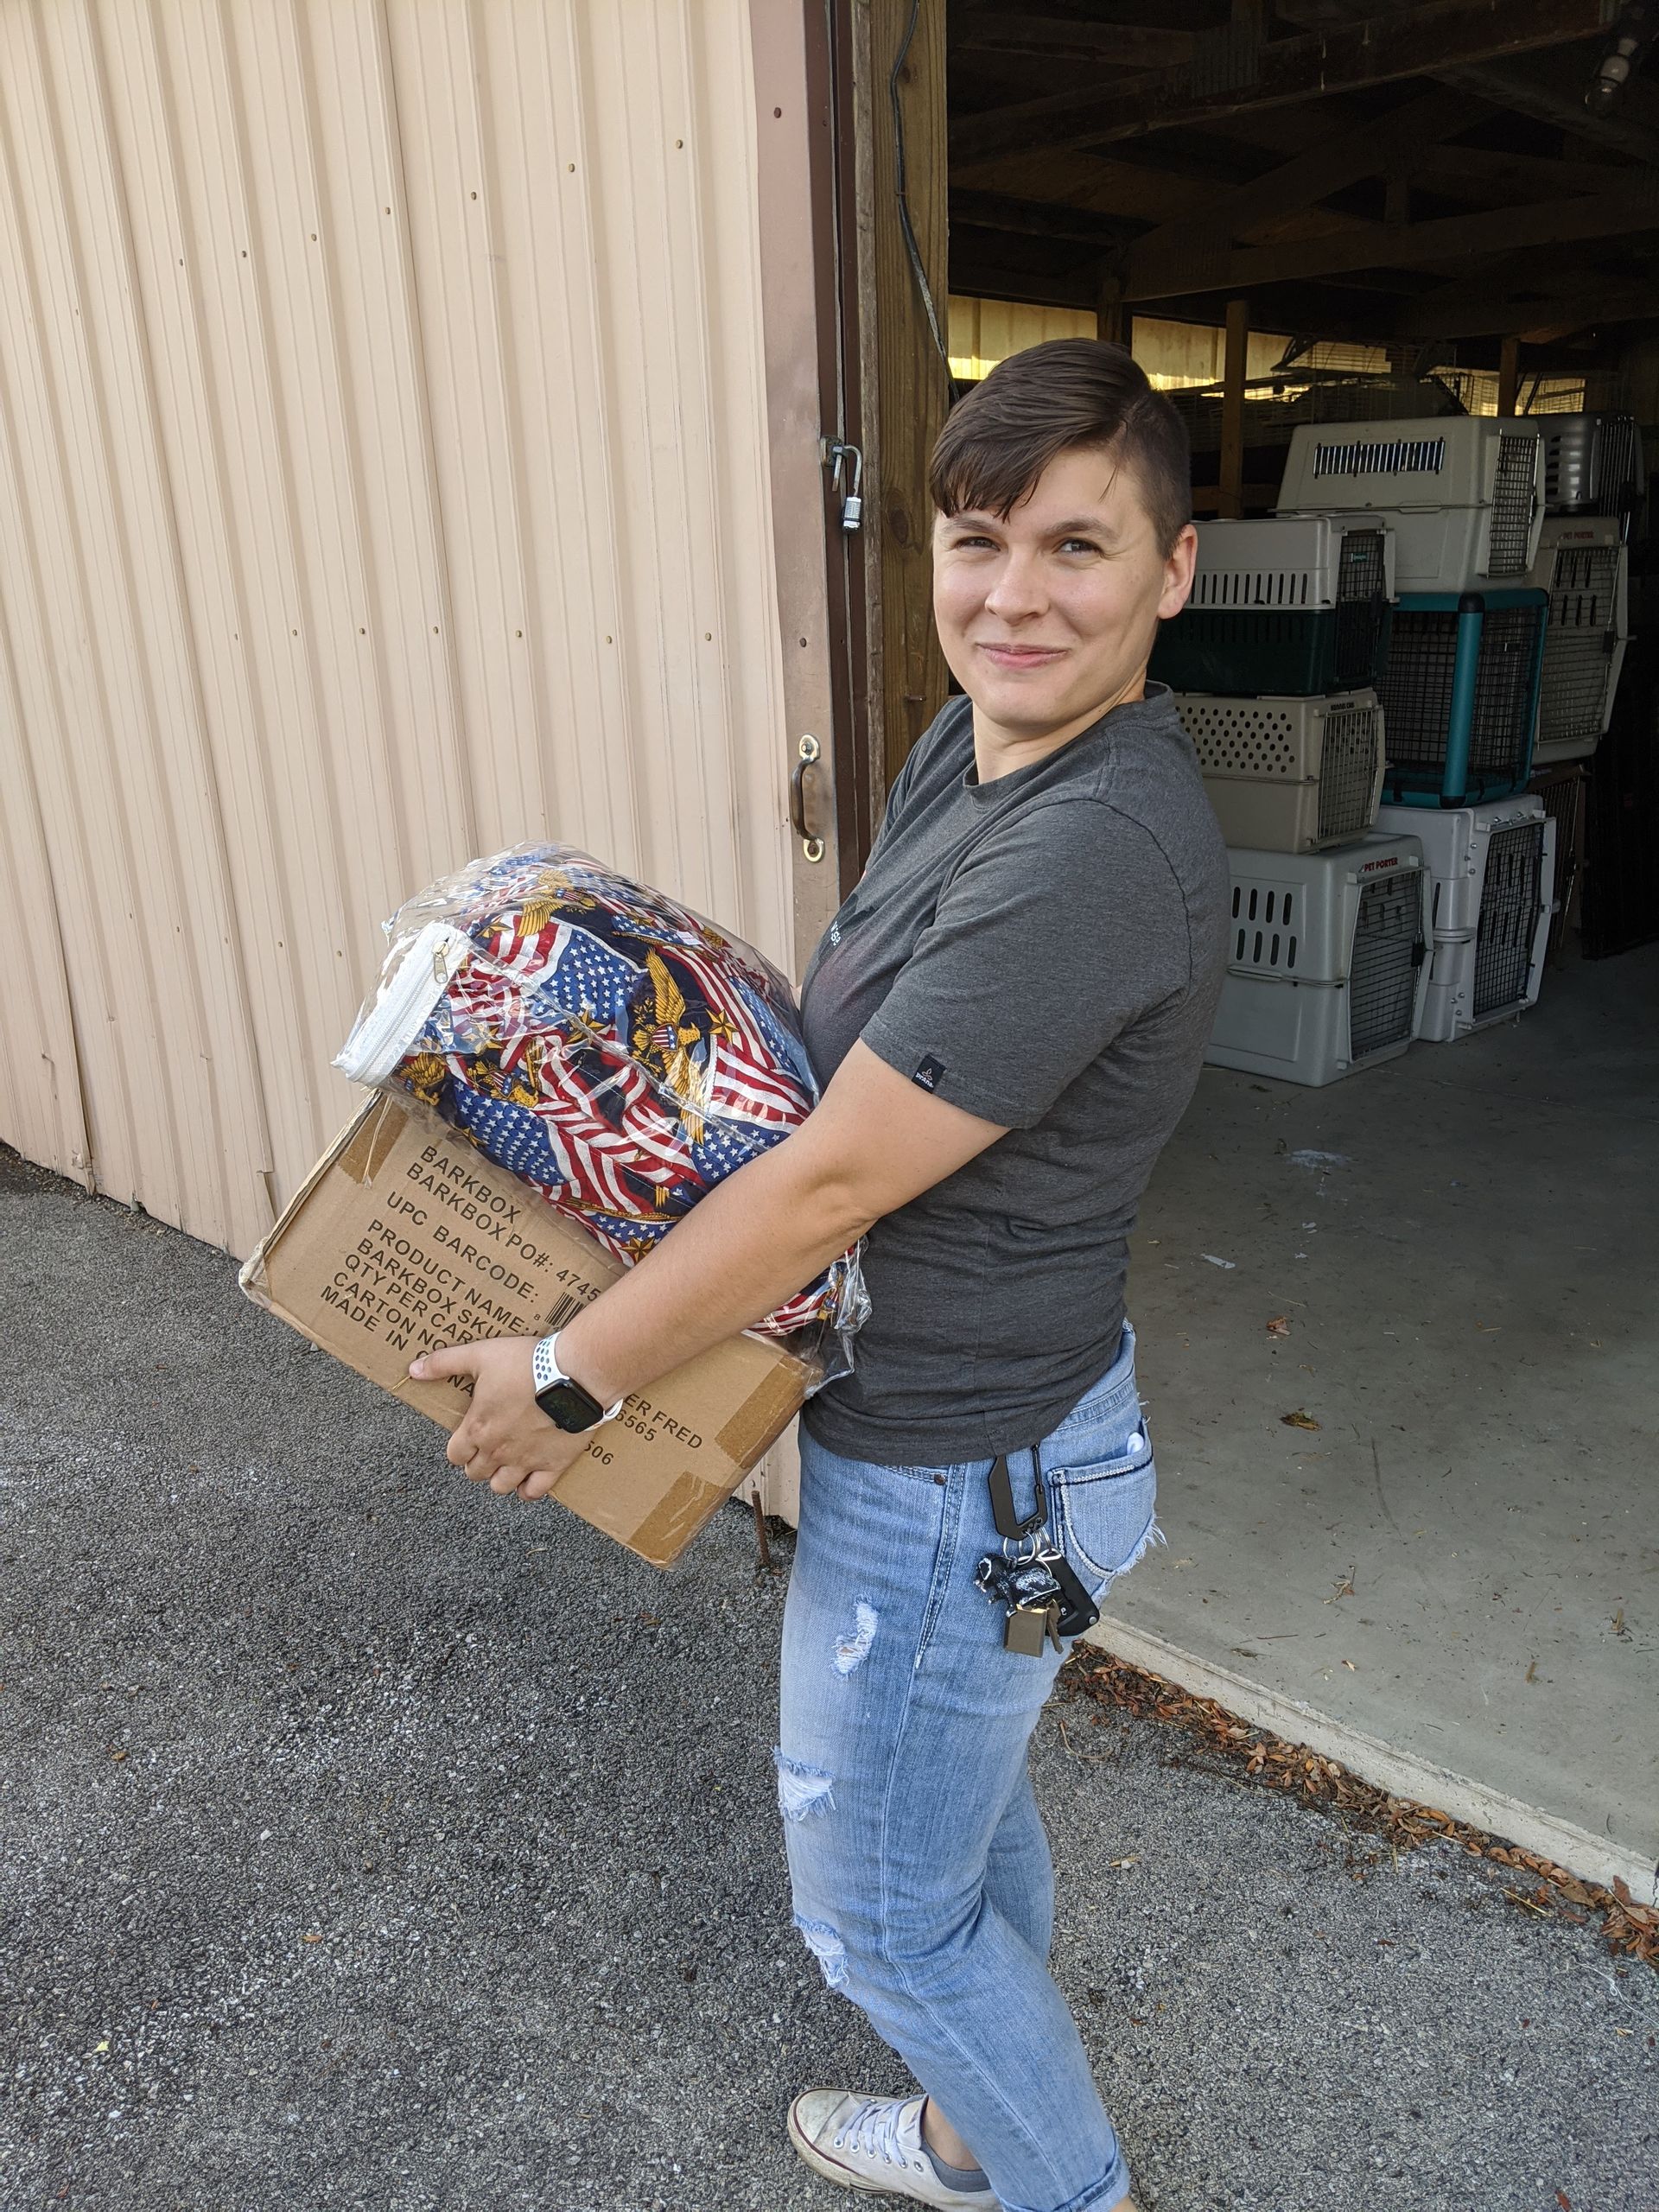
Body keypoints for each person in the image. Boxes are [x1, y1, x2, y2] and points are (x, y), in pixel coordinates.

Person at [410, 339, 1228, 2212]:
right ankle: (966, 2132)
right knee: (952, 1837)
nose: (1013, 594)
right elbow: (835, 1050)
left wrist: (567, 1372)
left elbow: (829, 1181)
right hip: (983, 1433)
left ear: (1174, 572)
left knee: (877, 1916)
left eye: (1078, 548)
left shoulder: (1098, 844)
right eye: (977, 539)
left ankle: (1065, 2186)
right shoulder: (983, 740)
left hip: (964, 1473)